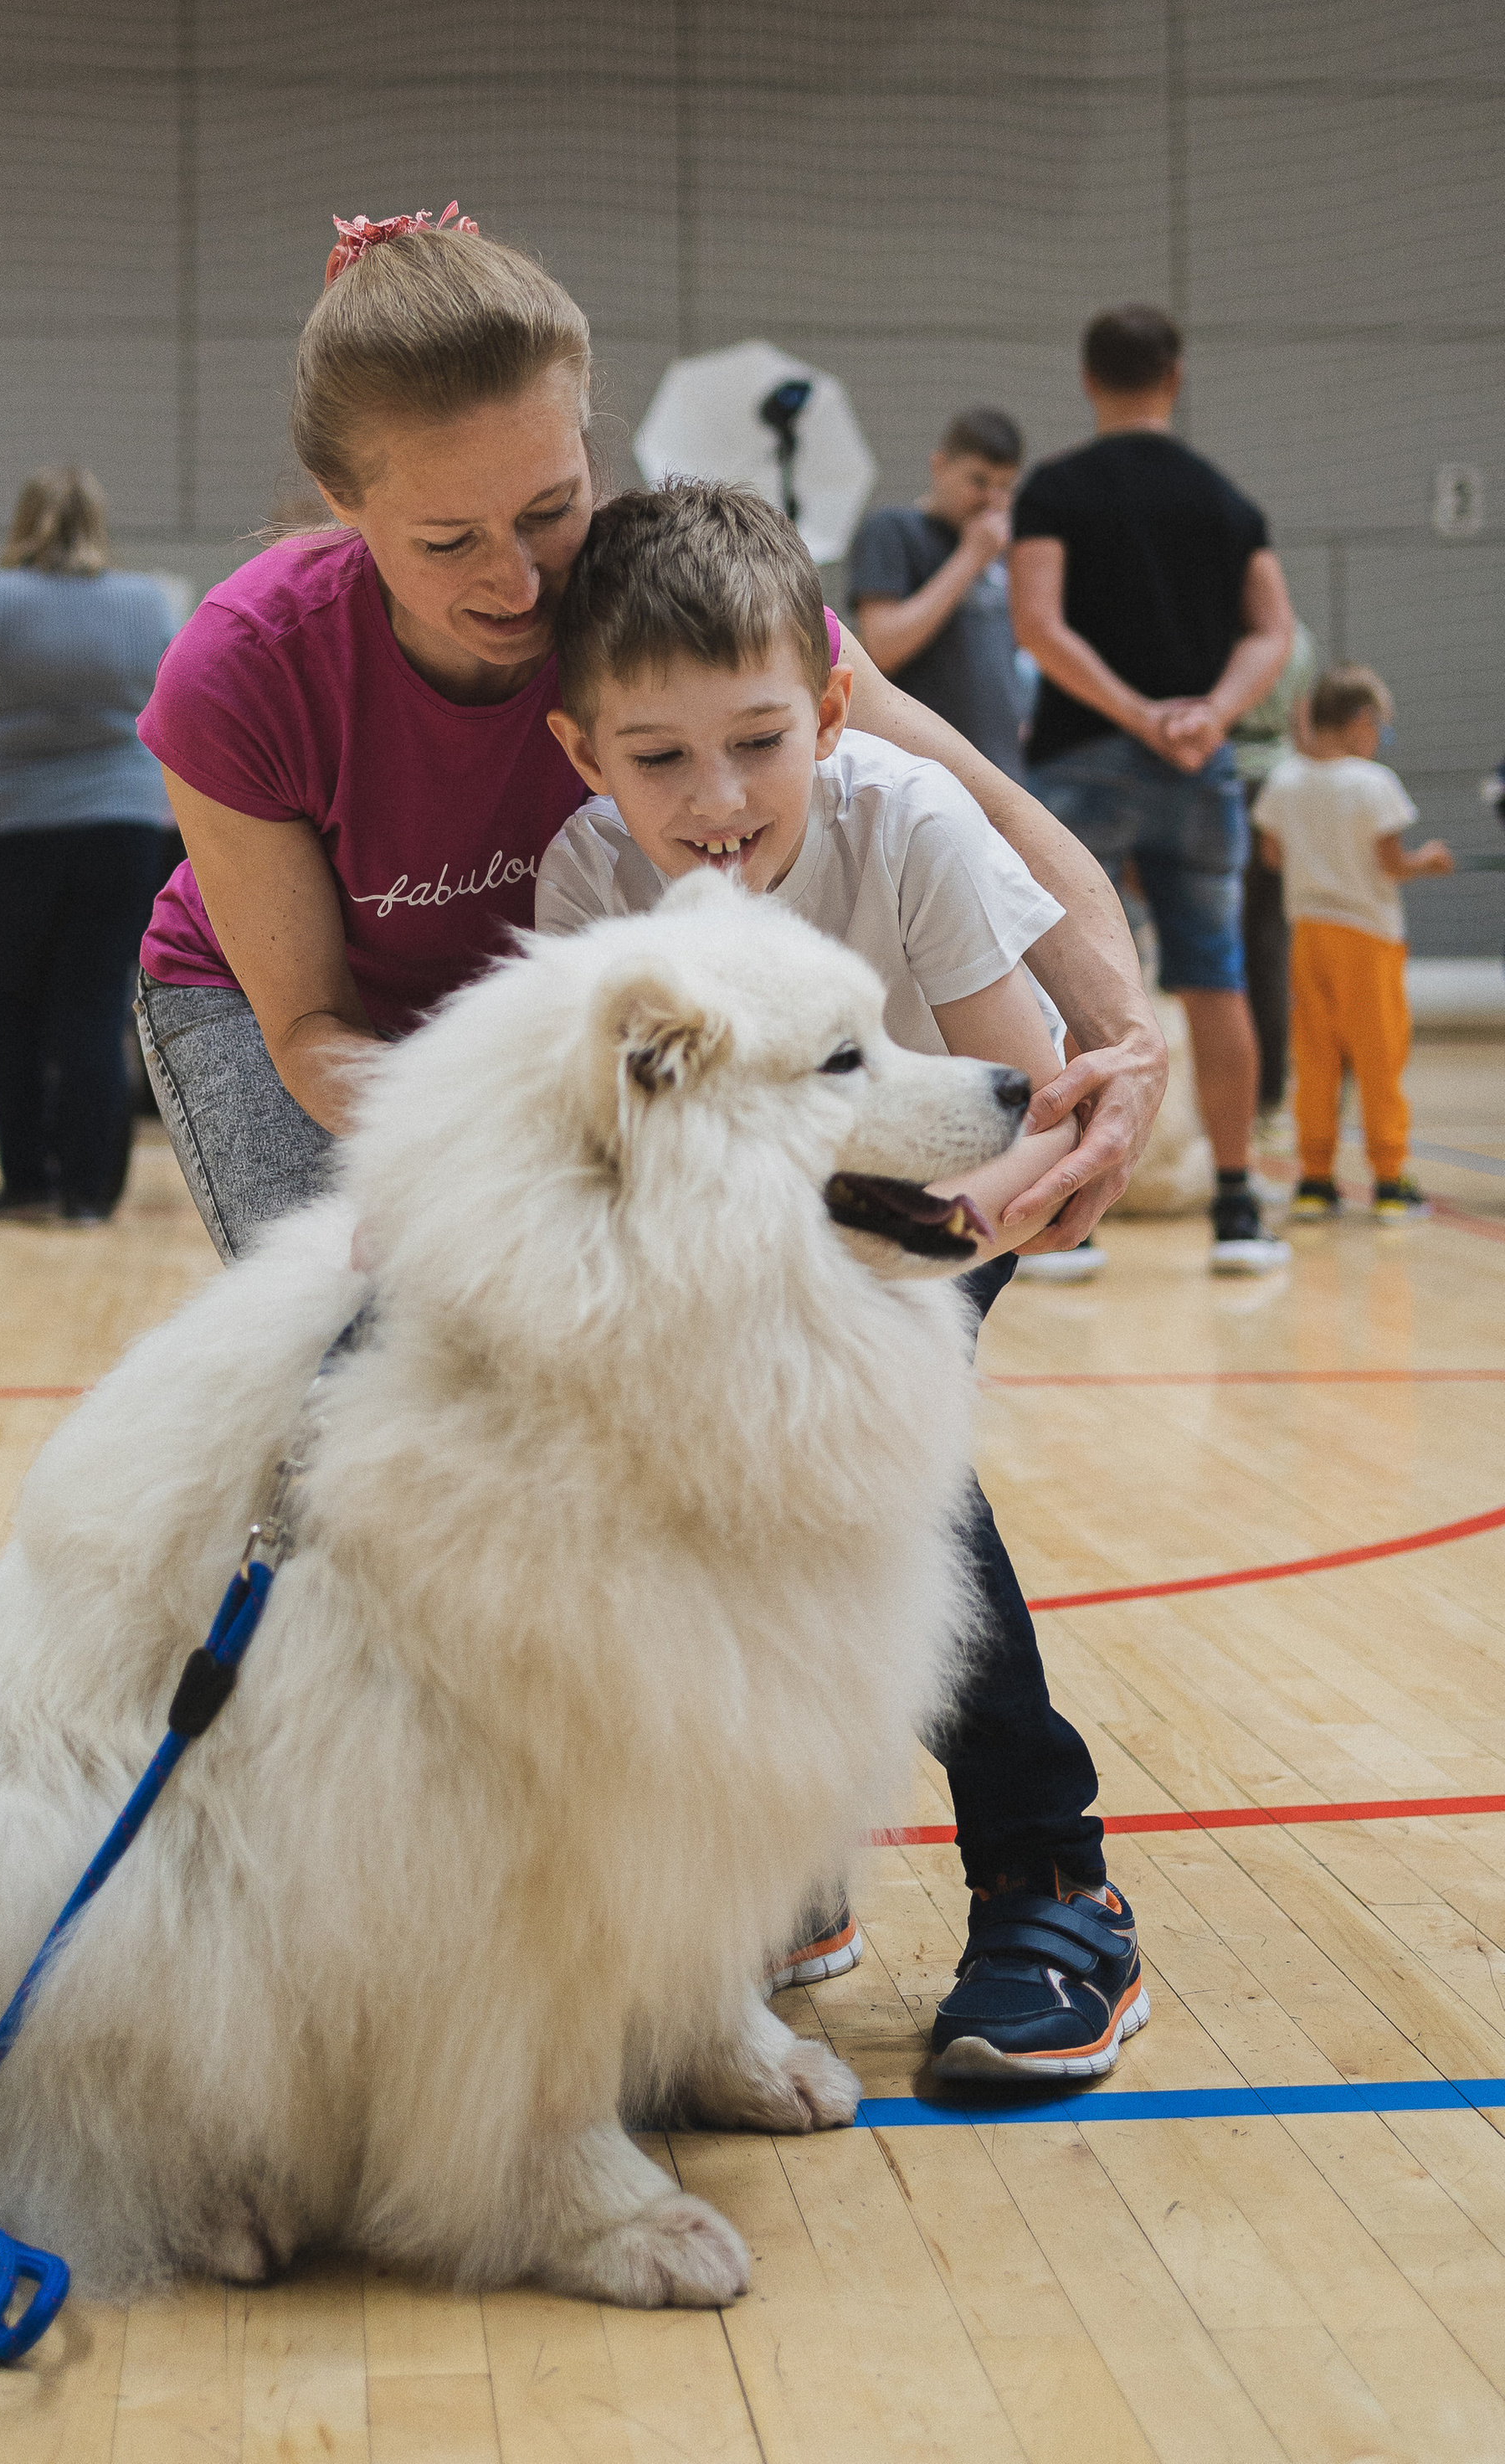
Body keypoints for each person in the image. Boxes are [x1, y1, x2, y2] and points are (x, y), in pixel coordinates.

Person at [133, 208, 1170, 2073]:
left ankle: (1009, 1876)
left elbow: (977, 806)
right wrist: (516, 1176)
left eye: (549, 507)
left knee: (832, 1410)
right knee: (370, 1401)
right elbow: (309, 1032)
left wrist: (1122, 1034)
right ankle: (411, 1905)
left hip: (633, 1072)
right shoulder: (244, 672)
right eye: (447, 541)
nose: (519, 577)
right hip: (352, 1042)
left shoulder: (677, 612)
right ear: (339, 514)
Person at [531, 481, 1141, 2078]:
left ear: (830, 711)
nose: (718, 798)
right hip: (745, 1245)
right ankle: (782, 1873)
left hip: (950, 1197)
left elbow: (1029, 1110)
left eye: (759, 741)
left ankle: (1051, 1879)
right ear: (583, 755)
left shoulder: (912, 821)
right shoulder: (584, 881)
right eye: (659, 758)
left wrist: (877, 1286)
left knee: (888, 1466)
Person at [1009, 305, 1296, 1276]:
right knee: (1215, 977)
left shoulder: (1055, 490)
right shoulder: (1225, 500)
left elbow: (1038, 624)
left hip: (1082, 761)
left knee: (1066, 980)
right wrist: (1209, 713)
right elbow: (1273, 631)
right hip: (1197, 768)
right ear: (1174, 376)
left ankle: (1063, 1212)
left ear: (1089, 379)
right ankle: (1236, 1207)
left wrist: (1133, 714)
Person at [0, 467, 177, 1225]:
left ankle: (26, 1178)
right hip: (124, 825)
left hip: (8, 827)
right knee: (94, 1007)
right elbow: (178, 711)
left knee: (11, 1006)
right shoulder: (148, 603)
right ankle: (90, 1192)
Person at [1251, 665, 1454, 1223]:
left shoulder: (1284, 781)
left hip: (1308, 935)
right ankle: (1389, 1179)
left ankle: (1315, 1179)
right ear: (1361, 721)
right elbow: (1392, 864)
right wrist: (1428, 861)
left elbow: (1271, 855)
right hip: (1368, 939)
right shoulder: (1373, 783)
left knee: (1315, 1060)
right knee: (1379, 1058)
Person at [848, 407, 1026, 773]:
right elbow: (882, 647)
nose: (992, 500)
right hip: (922, 768)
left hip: (1002, 766)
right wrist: (970, 558)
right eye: (978, 481)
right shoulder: (893, 530)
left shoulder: (1000, 552)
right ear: (939, 466)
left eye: (1005, 487)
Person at [1228, 617, 1320, 1119]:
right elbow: (1303, 730)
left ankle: (1233, 1095)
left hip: (1224, 780)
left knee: (1226, 948)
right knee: (1270, 947)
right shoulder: (1297, 637)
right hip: (1283, 784)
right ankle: (1269, 1095)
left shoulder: (1223, 626)